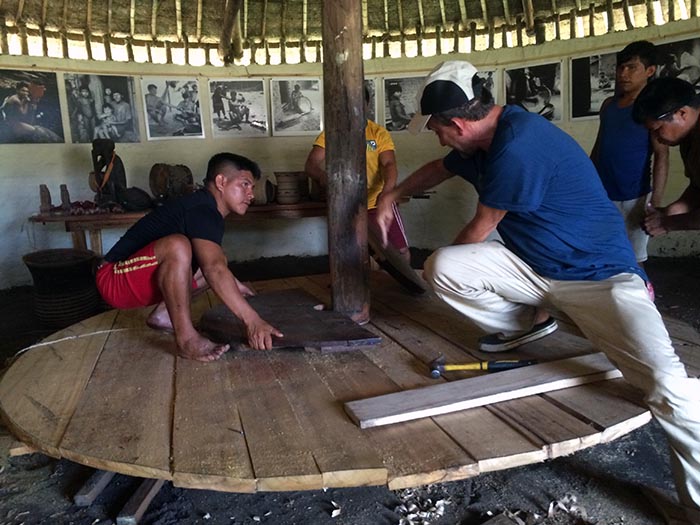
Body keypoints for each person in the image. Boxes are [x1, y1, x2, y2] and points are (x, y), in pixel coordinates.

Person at [375, 60, 700, 524]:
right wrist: (395, 194)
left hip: (601, 277)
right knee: (443, 266)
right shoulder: (481, 139)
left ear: (459, 123)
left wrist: (404, 262)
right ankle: (530, 322)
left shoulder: (518, 145)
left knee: (670, 386)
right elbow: (438, 169)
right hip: (536, 270)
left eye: (436, 129)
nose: (437, 137)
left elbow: (479, 230)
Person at [96, 152, 283, 362]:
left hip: (136, 277)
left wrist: (235, 284)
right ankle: (186, 340)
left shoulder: (206, 208)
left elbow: (215, 265)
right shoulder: (203, 209)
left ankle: (164, 315)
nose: (251, 194)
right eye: (245, 185)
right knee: (178, 246)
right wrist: (253, 321)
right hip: (113, 278)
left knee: (215, 257)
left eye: (252, 188)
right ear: (221, 181)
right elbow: (213, 269)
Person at [305, 86, 410, 262]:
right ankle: (356, 288)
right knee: (351, 256)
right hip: (346, 206)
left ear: (367, 105)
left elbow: (389, 164)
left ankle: (404, 286)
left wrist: (387, 194)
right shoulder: (331, 134)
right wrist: (325, 178)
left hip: (377, 202)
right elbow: (311, 164)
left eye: (358, 104)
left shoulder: (378, 133)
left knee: (399, 251)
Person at [590, 41, 669, 268]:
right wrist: (587, 184)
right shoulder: (608, 106)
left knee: (635, 259)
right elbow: (599, 148)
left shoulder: (649, 110)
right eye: (620, 67)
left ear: (650, 71)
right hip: (604, 195)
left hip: (635, 197)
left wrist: (654, 202)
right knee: (603, 253)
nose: (623, 73)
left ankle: (642, 299)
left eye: (632, 67)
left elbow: (662, 156)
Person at [633, 76, 700, 237]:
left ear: (682, 113)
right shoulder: (688, 136)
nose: (655, 137)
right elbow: (697, 187)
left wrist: (667, 223)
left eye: (657, 129)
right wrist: (671, 211)